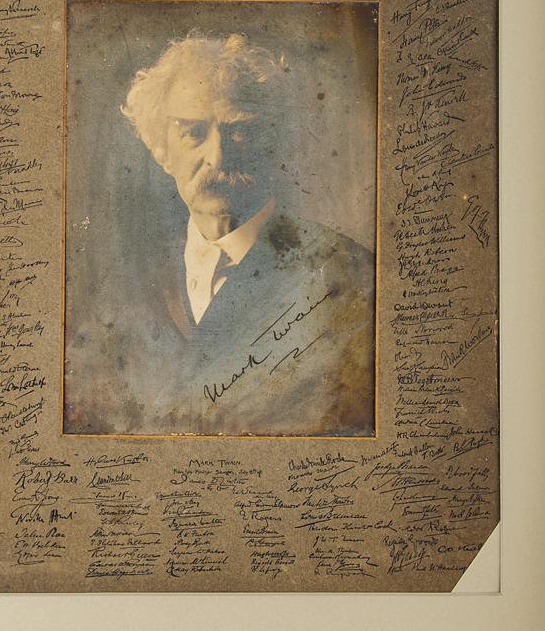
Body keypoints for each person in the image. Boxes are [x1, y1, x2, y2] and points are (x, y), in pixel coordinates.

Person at [64, 32, 375, 437]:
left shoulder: (348, 278)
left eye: (240, 131)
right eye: (193, 132)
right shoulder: (123, 287)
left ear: (272, 143)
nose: (218, 157)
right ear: (161, 149)